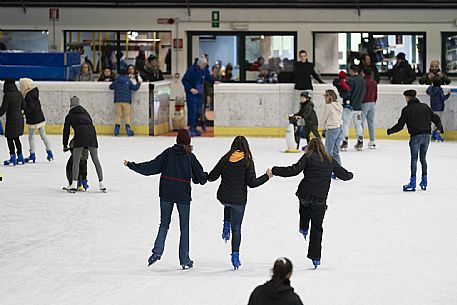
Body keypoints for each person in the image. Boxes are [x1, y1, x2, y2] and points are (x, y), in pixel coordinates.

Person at [124, 129, 207, 269]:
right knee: (184, 227)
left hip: (166, 193)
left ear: (176, 140)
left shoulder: (168, 153)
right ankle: (185, 260)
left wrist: (132, 165)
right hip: (183, 196)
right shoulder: (190, 157)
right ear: (189, 142)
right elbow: (200, 178)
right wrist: (206, 176)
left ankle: (157, 252)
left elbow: (151, 167)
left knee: (164, 224)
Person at [270, 138, 353, 268]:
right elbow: (344, 175)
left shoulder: (307, 157)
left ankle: (303, 227)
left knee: (304, 206)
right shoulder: (330, 160)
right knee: (317, 227)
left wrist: (275, 170)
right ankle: (315, 258)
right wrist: (350, 175)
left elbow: (293, 170)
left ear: (310, 147)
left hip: (304, 194)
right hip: (320, 199)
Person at [208, 136, 270, 270]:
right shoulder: (247, 161)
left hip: (223, 196)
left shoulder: (225, 158)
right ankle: (235, 256)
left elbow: (212, 177)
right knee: (236, 229)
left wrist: (201, 175)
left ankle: (226, 224)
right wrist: (267, 176)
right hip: (238, 200)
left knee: (228, 203)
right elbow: (252, 183)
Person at [387, 89, 443, 192]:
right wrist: (439, 127)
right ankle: (424, 181)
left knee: (414, 159)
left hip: (415, 137)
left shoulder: (406, 110)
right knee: (423, 159)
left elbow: (400, 126)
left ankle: (413, 182)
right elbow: (436, 118)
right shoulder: (425, 107)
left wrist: (390, 131)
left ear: (408, 97)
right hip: (426, 136)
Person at [63, 96, 106, 192]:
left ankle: (74, 184)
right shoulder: (86, 113)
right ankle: (101, 184)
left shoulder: (69, 116)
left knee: (76, 160)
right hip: (92, 135)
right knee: (96, 160)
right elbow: (89, 124)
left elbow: (66, 131)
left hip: (80, 136)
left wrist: (65, 145)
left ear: (70, 105)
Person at [19, 78, 53, 163]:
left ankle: (32, 155)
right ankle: (50, 153)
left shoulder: (28, 95)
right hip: (40, 117)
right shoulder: (34, 92)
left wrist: (24, 112)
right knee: (43, 135)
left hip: (33, 119)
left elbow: (30, 108)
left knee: (31, 137)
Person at [182, 55, 214, 137]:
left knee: (199, 112)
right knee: (192, 111)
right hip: (192, 94)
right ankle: (191, 128)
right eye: (203, 65)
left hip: (200, 93)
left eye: (205, 65)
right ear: (199, 64)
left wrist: (215, 81)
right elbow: (184, 80)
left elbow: (208, 77)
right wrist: (190, 89)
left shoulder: (204, 70)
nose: (204, 67)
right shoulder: (191, 70)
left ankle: (195, 127)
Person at [1, 78, 26, 166]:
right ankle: (20, 156)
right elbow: (24, 105)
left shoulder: (7, 95)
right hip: (19, 119)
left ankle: (13, 157)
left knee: (10, 138)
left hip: (11, 120)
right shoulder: (19, 93)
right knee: (16, 138)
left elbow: (3, 110)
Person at [341, 65, 366, 151]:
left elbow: (347, 93)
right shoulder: (363, 81)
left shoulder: (350, 80)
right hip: (358, 107)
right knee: (358, 124)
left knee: (345, 123)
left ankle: (344, 141)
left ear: (351, 70)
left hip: (350, 106)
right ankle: (360, 141)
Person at [109, 69, 141, 136]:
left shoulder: (117, 80)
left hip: (117, 100)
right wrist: (139, 83)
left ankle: (116, 130)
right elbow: (134, 88)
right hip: (126, 101)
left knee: (118, 115)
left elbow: (111, 87)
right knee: (127, 115)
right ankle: (128, 130)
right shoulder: (128, 81)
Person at [322, 89, 343, 166]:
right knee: (336, 152)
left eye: (325, 95)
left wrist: (323, 128)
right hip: (339, 129)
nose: (324, 97)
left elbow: (324, 118)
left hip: (331, 129)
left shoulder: (328, 106)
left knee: (328, 152)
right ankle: (339, 171)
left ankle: (328, 170)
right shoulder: (339, 106)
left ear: (329, 97)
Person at [361, 66, 378, 149]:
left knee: (361, 122)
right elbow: (375, 94)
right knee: (371, 122)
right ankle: (372, 140)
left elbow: (363, 93)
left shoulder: (364, 82)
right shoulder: (374, 82)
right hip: (372, 103)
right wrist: (374, 101)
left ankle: (360, 139)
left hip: (365, 103)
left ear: (364, 73)